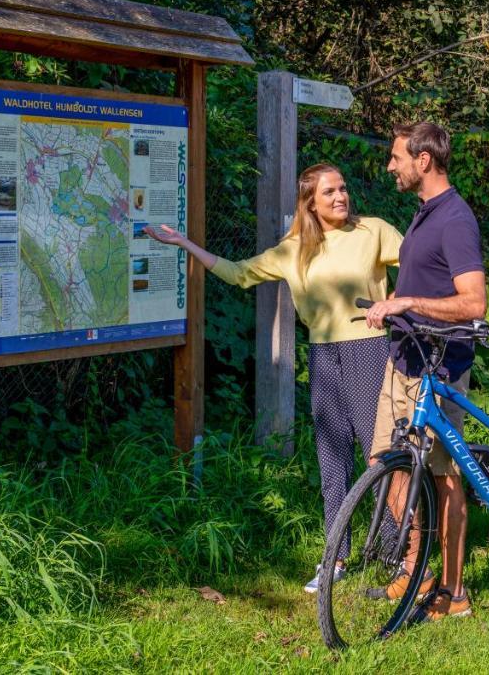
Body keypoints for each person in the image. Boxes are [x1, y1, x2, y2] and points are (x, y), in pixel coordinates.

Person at [145, 163, 402, 594]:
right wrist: (183, 243)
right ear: (310, 203)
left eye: (343, 188)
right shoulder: (294, 248)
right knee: (332, 460)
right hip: (323, 355)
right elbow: (238, 272)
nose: (341, 197)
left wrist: (394, 302)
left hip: (369, 349)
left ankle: (398, 556)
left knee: (379, 455)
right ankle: (335, 557)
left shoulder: (373, 230)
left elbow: (420, 262)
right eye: (329, 192)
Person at [364, 121, 487, 622]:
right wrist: (394, 305)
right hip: (404, 358)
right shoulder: (422, 214)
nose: (390, 166)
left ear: (424, 161)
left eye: (397, 157)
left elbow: (475, 302)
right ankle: (416, 569)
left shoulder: (455, 219)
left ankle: (455, 592)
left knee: (443, 476)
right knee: (386, 463)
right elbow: (423, 282)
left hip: (440, 366)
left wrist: (410, 301)